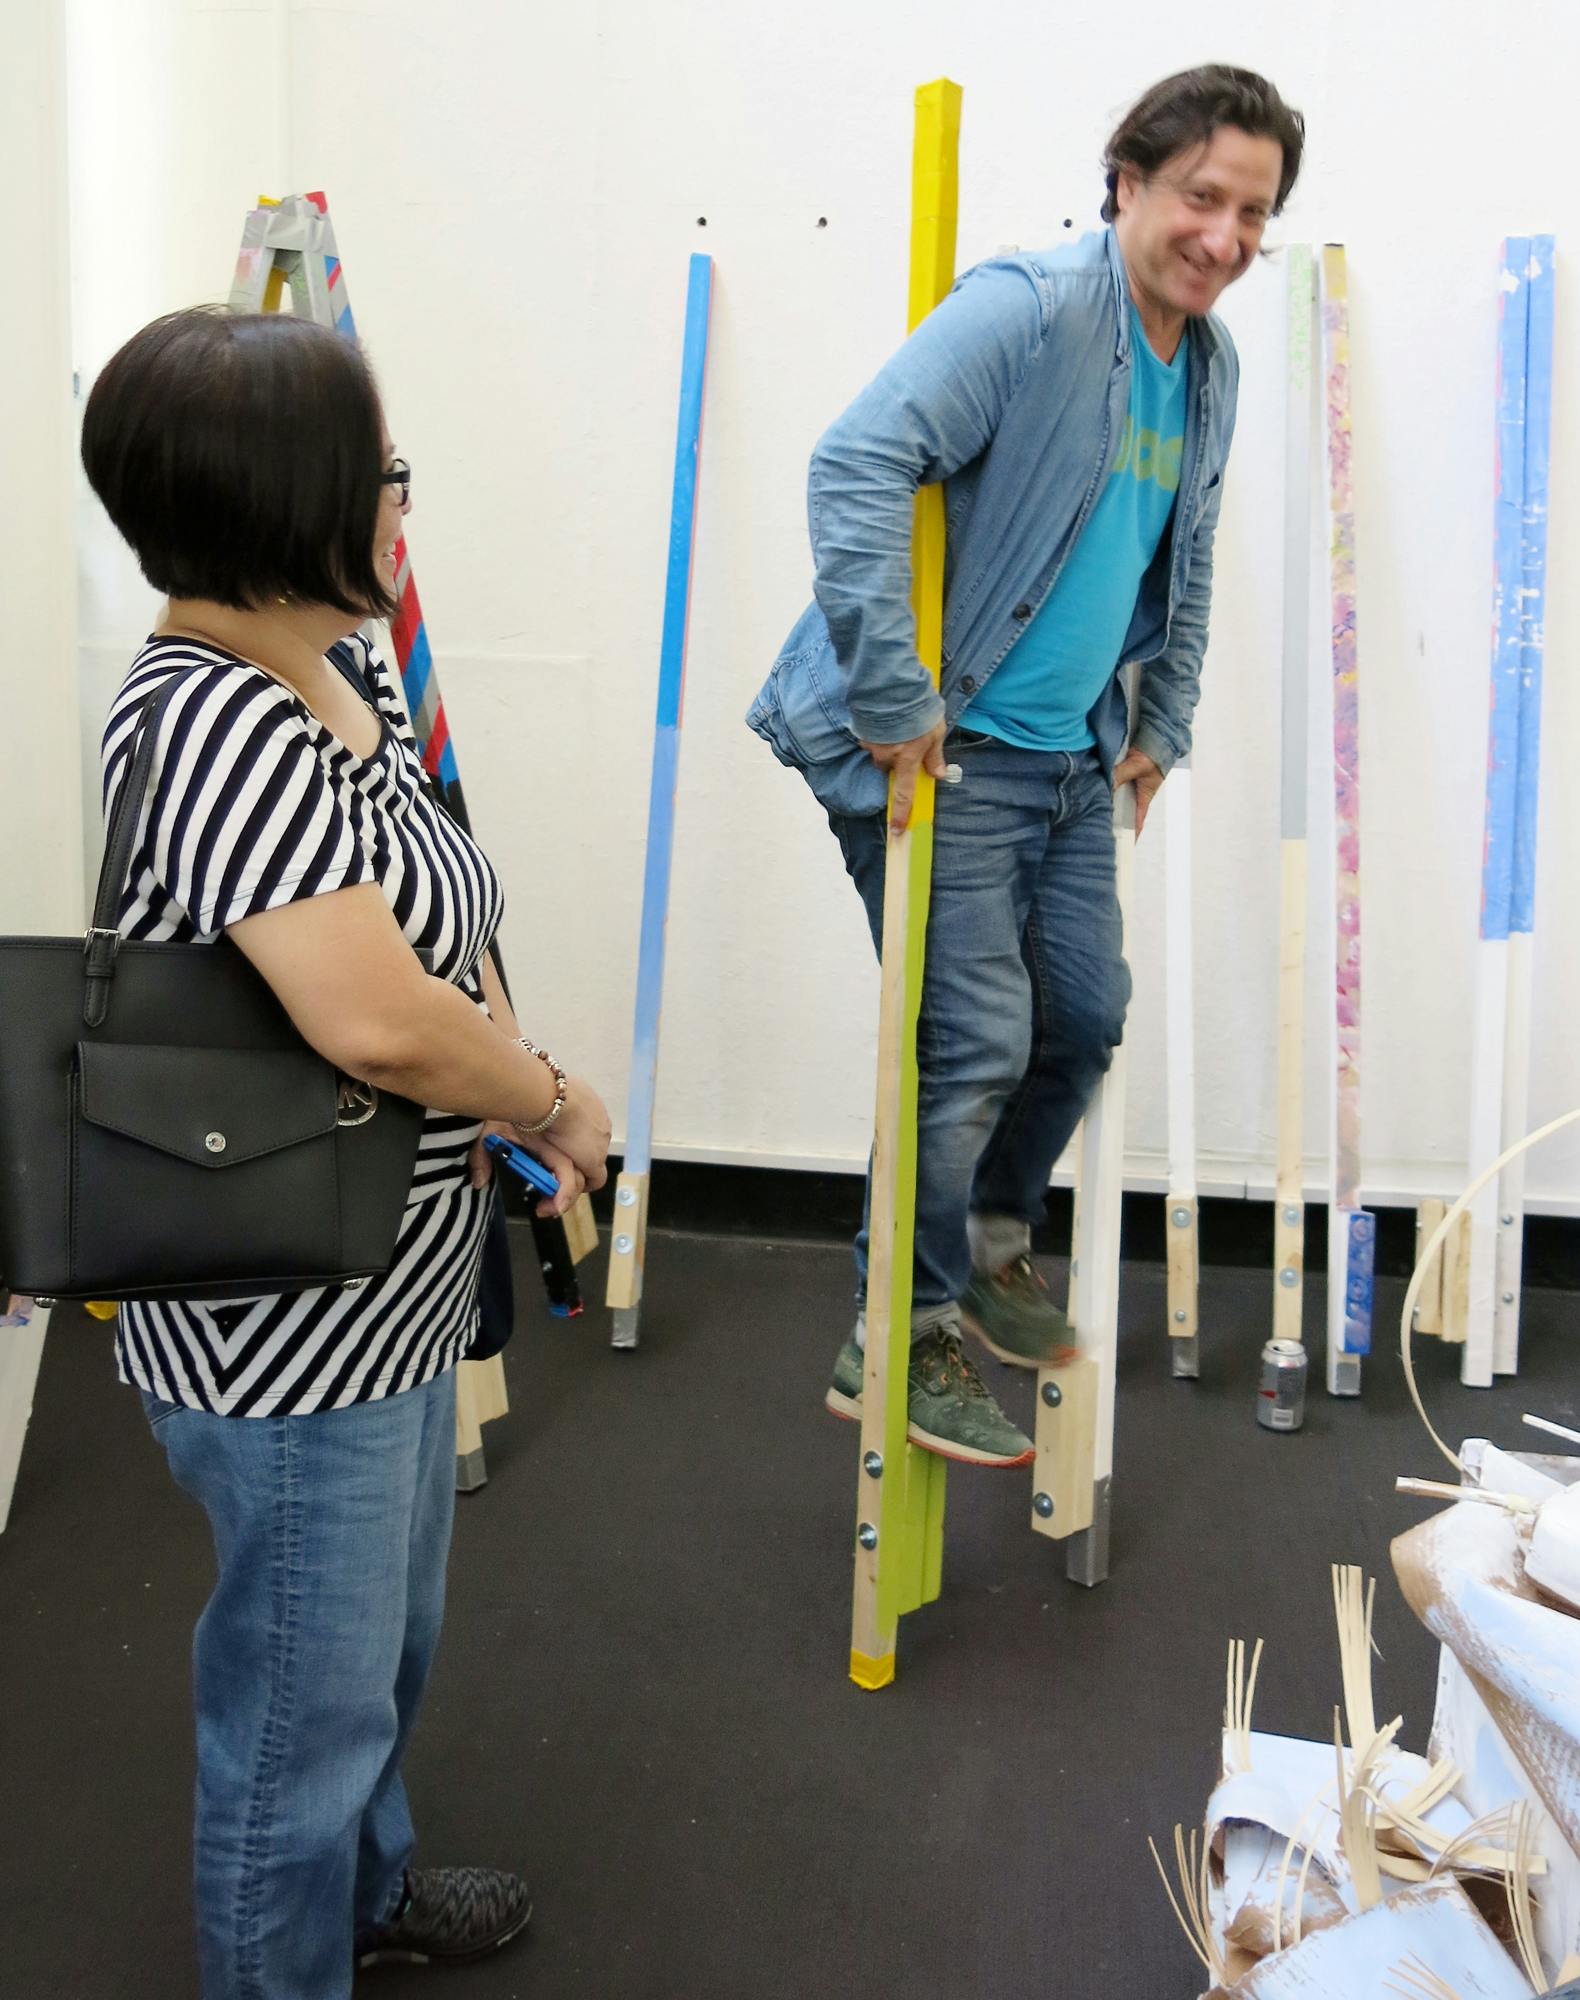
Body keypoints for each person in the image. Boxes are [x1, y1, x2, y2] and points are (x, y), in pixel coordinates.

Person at [81, 305, 612, 1998]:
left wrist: (510, 1072)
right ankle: (285, 1956)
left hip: (383, 1265)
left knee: (373, 1650)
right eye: (378, 473)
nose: (400, 503)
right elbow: (375, 1017)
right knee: (295, 1711)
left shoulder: (340, 660)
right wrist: (544, 1099)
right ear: (281, 501)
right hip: (284, 1314)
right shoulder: (211, 720)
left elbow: (445, 899)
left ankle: (366, 1894)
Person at [748, 65, 1304, 1466]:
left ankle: (983, 1246)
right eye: (1201, 197)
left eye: (1255, 213)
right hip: (949, 751)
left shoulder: (1212, 367)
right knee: (972, 1040)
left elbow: (1188, 554)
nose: (1226, 237)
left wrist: (1162, 725)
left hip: (1067, 762)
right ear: (1127, 180)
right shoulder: (1033, 306)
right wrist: (892, 690)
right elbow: (855, 461)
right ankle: (902, 1324)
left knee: (1087, 1017)